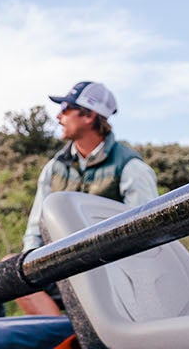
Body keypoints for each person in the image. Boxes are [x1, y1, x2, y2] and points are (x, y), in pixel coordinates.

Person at [13, 81, 160, 316]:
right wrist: (32, 266)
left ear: (90, 115)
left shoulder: (131, 167)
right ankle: (66, 338)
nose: (59, 116)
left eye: (66, 109)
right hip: (60, 268)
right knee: (11, 267)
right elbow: (35, 228)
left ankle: (81, 340)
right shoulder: (54, 167)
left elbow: (145, 237)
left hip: (110, 274)